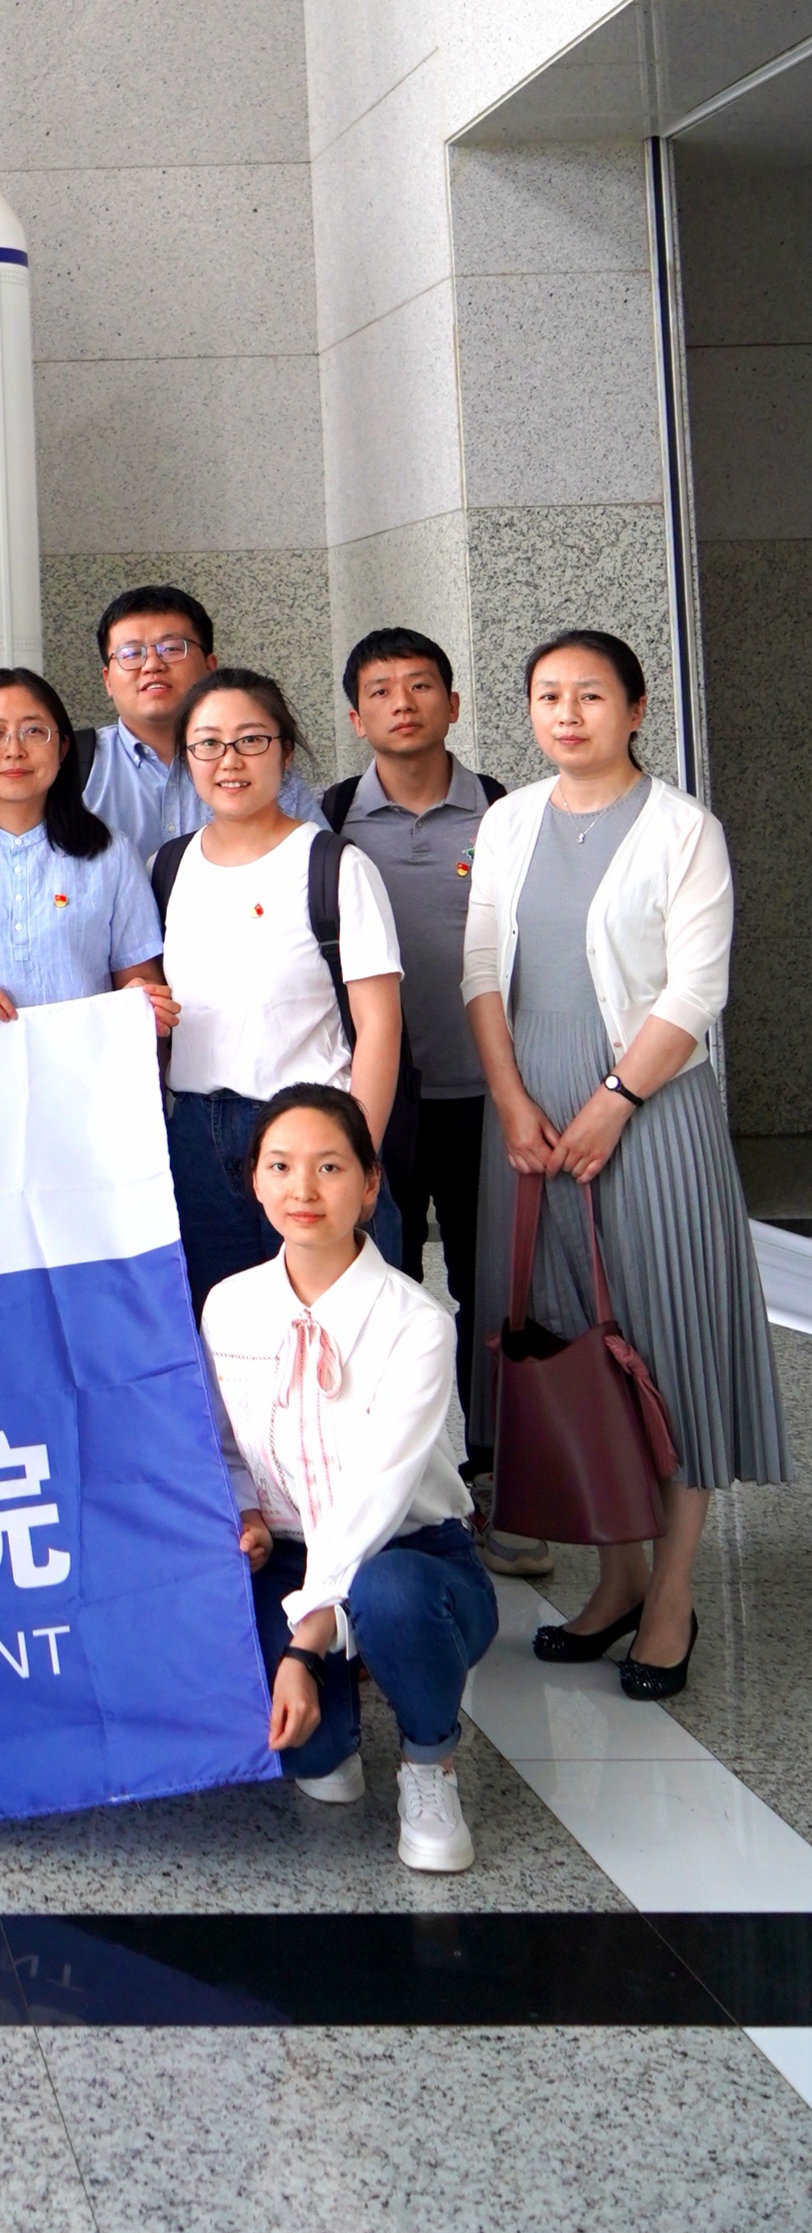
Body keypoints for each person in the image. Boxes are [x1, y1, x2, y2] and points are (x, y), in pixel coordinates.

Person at [463, 631, 788, 1697]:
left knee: (666, 1341)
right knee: (572, 1342)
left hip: (649, 1117)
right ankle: (617, 1577)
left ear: (636, 708)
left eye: (591, 695)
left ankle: (672, 1596)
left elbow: (695, 991)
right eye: (548, 695)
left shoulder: (684, 828)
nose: (566, 714)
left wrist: (613, 1101)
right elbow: (479, 972)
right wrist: (510, 1098)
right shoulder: (508, 820)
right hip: (527, 1119)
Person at [204, 1086, 497, 1874]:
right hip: (290, 1553)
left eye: (329, 1167)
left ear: (369, 1185)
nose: (302, 1188)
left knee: (388, 1595)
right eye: (280, 1166)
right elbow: (223, 1445)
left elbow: (376, 1493)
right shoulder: (227, 1307)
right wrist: (246, 1512)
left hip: (413, 1556)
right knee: (315, 1758)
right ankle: (334, 1721)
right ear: (254, 1181)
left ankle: (429, 1761)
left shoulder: (416, 1322)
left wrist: (306, 1641)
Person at [321, 628, 539, 1579]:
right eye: (379, 690)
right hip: (381, 1106)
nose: (401, 703)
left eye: (420, 686)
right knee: (387, 1290)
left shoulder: (506, 812)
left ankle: (502, 1480)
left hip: (494, 1096)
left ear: (453, 704)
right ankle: (403, 1489)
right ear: (354, 715)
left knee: (496, 1293)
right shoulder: (330, 822)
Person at [154, 669, 405, 1312]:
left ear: (284, 751)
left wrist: (357, 1156)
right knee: (224, 1330)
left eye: (251, 740)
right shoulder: (167, 867)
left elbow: (380, 1025)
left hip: (311, 1134)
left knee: (340, 1326)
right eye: (207, 743)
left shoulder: (334, 865)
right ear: (187, 757)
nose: (229, 760)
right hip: (198, 1141)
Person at [0, 666, 172, 1038]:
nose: (14, 750)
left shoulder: (111, 852)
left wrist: (142, 996)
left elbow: (139, 978)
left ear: (62, 747)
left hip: (84, 1064)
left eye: (34, 731)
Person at [78, 585, 324, 853]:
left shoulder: (261, 769)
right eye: (131, 654)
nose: (152, 665)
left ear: (210, 667)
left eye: (171, 648)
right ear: (107, 680)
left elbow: (320, 861)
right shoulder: (74, 768)